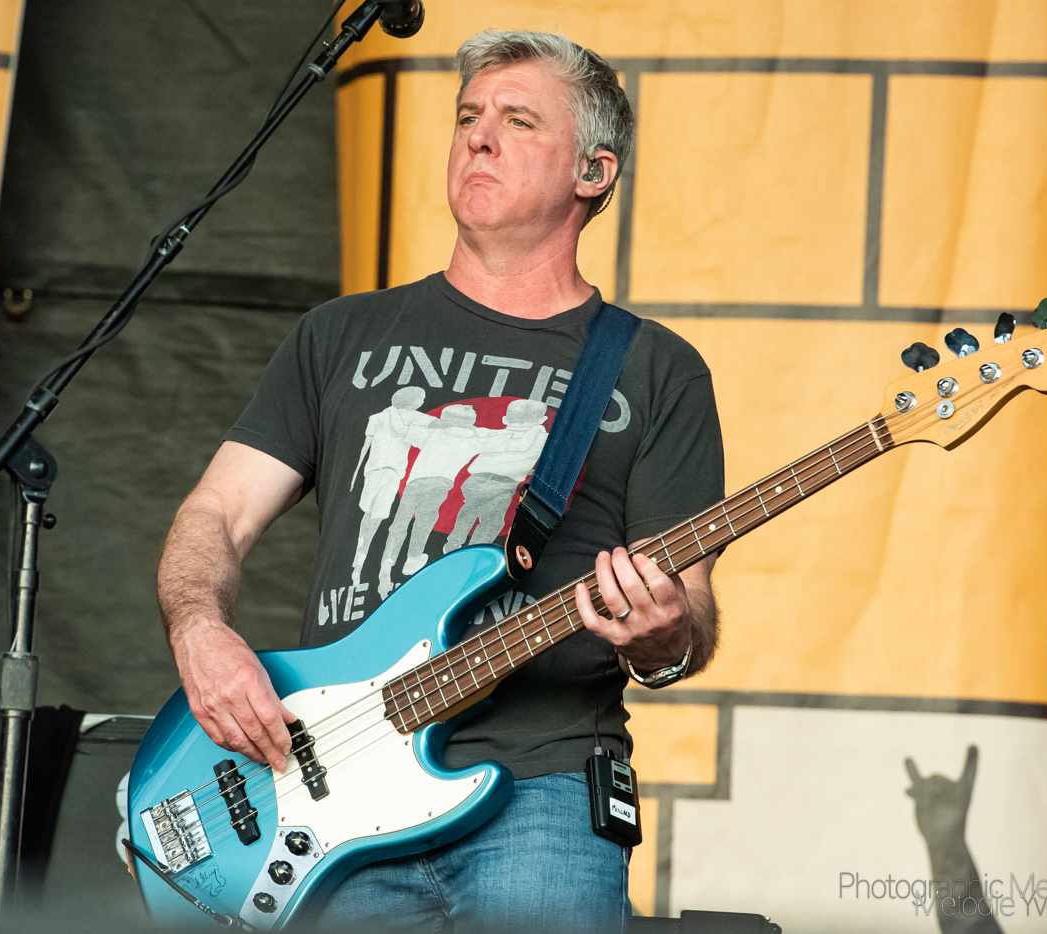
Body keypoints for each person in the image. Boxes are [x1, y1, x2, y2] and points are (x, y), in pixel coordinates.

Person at [156, 29, 724, 933]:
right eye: (467, 117)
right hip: (328, 784)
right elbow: (217, 512)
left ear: (594, 171)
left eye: (518, 120)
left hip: (544, 786)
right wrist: (200, 631)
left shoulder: (654, 369)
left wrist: (662, 639)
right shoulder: (341, 334)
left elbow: (685, 613)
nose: (479, 137)